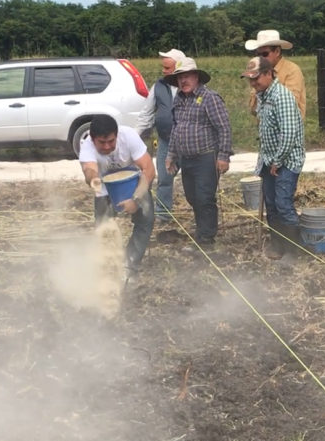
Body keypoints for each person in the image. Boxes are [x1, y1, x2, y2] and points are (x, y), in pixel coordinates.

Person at [241, 56, 305, 260]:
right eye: (250, 79)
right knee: (271, 204)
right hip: (270, 160)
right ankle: (278, 245)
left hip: (285, 161)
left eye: (256, 78)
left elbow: (289, 132)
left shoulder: (281, 96)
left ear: (269, 74)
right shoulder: (263, 95)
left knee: (283, 203)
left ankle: (293, 251)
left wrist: (278, 161)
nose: (253, 83)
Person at [164, 57, 232, 247]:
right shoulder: (178, 100)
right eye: (179, 78)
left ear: (196, 77)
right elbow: (176, 129)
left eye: (187, 76)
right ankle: (203, 231)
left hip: (206, 156)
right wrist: (171, 155)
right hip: (187, 159)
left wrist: (223, 156)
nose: (183, 81)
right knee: (192, 197)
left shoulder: (210, 98)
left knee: (204, 197)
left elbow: (224, 128)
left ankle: (206, 238)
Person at [79, 116, 155, 279]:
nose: (107, 147)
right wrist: (93, 179)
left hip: (134, 184)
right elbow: (89, 170)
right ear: (93, 140)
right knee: (104, 228)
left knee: (146, 219)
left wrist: (136, 200)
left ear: (117, 135)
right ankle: (108, 268)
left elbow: (149, 169)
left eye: (111, 141)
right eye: (102, 143)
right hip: (105, 188)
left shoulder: (129, 137)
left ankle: (130, 264)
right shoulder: (87, 148)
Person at [136, 48, 184, 222]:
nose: (163, 71)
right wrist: (136, 136)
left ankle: (199, 214)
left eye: (167, 68)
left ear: (179, 67)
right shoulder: (158, 86)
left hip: (189, 144)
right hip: (166, 141)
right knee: (164, 178)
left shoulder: (189, 85)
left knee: (193, 182)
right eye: (163, 67)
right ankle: (163, 214)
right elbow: (146, 114)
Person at [245, 29, 305, 119]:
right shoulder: (258, 72)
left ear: (277, 51)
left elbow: (289, 106)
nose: (260, 58)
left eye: (265, 54)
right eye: (258, 54)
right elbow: (253, 109)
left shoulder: (292, 71)